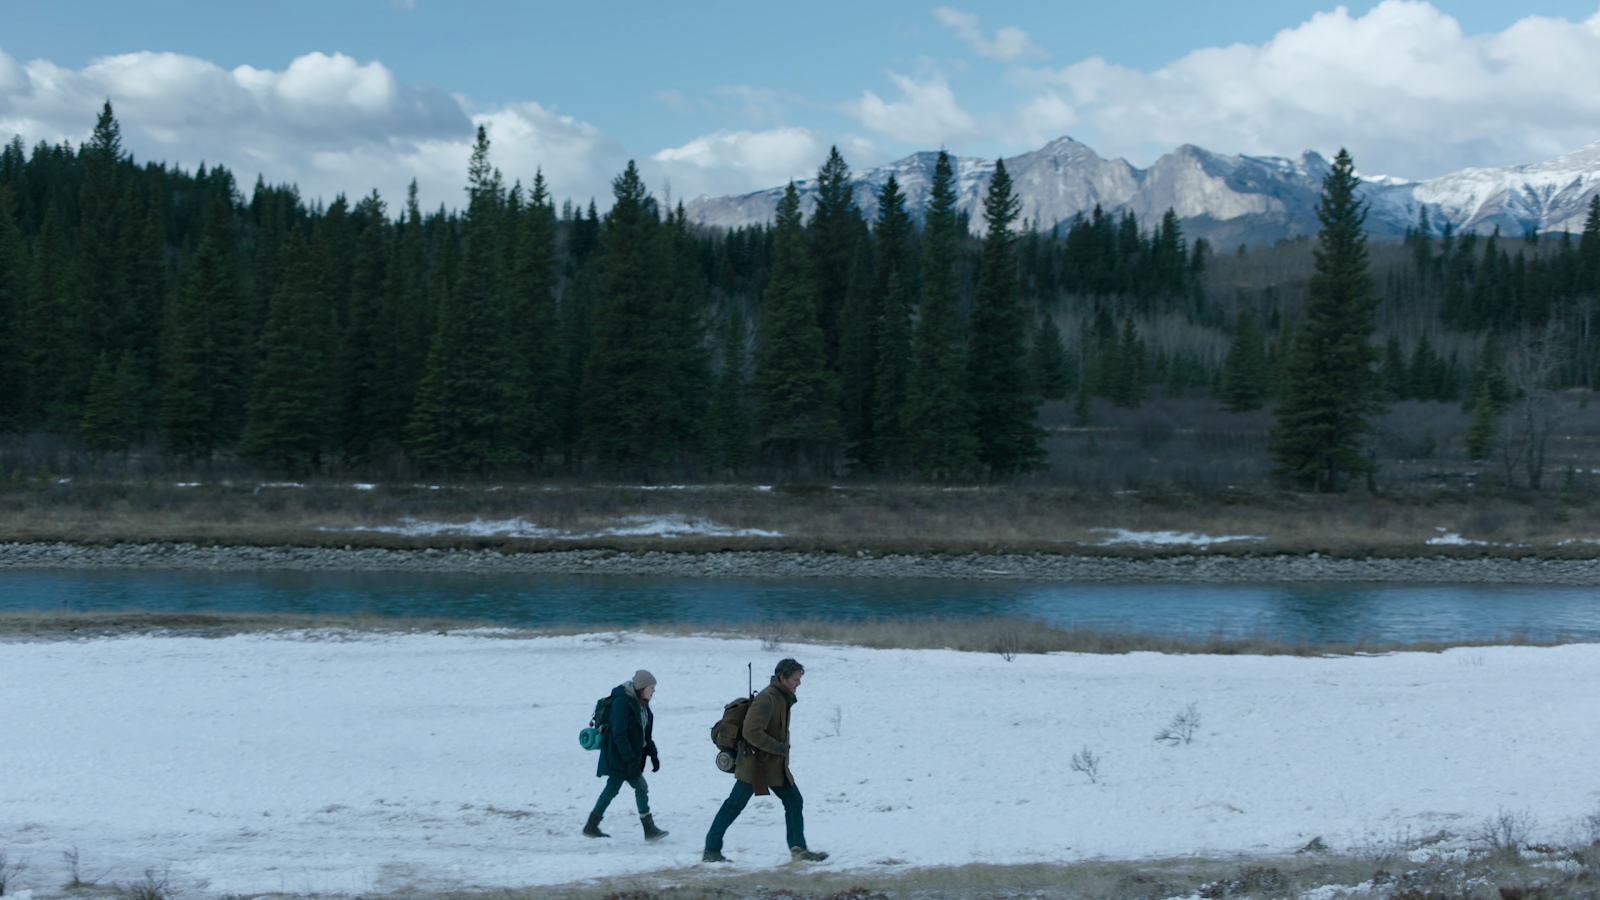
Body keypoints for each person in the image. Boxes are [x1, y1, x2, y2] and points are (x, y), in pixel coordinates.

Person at [702, 658, 827, 863]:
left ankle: (799, 850)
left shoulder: (781, 697)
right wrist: (778, 748)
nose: (799, 683)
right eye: (796, 679)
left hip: (773, 768)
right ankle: (711, 850)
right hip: (755, 767)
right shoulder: (767, 699)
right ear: (782, 678)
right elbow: (751, 732)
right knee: (733, 807)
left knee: (794, 801)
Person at [584, 670, 668, 841]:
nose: (654, 691)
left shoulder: (642, 704)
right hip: (619, 756)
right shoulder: (623, 703)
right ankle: (649, 829)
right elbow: (619, 734)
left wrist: (653, 754)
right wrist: (630, 760)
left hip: (629, 757)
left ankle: (591, 826)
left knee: (612, 788)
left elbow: (645, 733)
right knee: (640, 787)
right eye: (651, 687)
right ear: (642, 687)